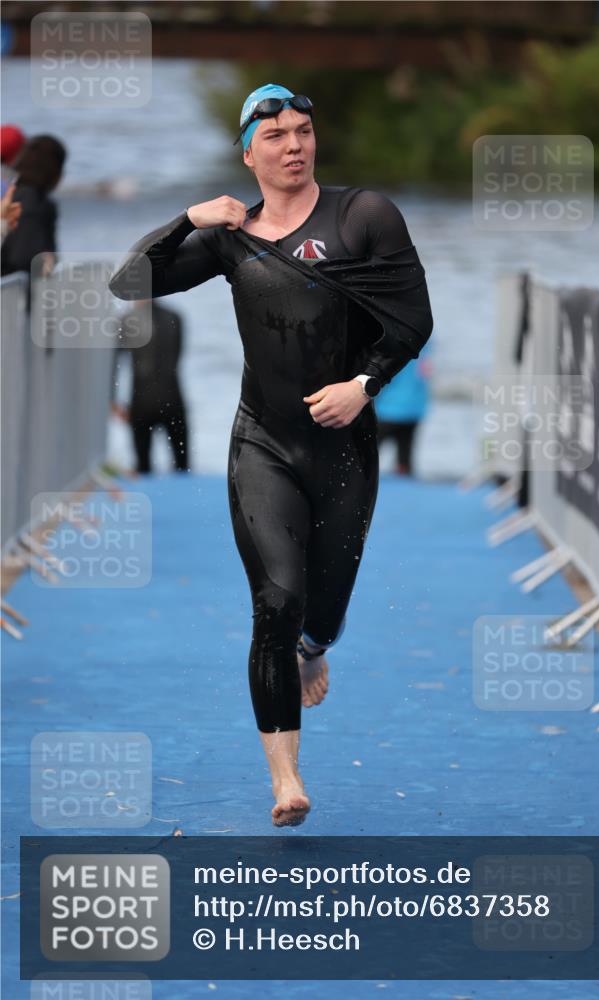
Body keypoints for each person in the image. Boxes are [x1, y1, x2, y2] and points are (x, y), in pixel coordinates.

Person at [109, 83, 432, 826]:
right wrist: (187, 218)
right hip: (263, 442)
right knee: (274, 604)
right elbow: (128, 280)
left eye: (303, 131)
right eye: (277, 135)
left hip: (345, 444)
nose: (294, 146)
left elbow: (412, 319)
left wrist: (362, 384)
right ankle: (285, 779)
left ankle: (317, 646)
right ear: (248, 153)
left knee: (321, 611)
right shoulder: (232, 235)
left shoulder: (363, 217)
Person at [112, 299, 190, 474]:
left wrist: (112, 399)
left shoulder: (127, 320)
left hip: (142, 401)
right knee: (183, 466)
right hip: (173, 398)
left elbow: (113, 361)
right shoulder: (175, 317)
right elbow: (177, 356)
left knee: (143, 468)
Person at [0, 134, 66, 279]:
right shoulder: (34, 203)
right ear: (54, 170)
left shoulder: (10, 193)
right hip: (14, 295)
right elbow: (24, 258)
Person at [376, 338, 433, 476]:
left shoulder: (391, 341)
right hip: (414, 408)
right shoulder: (426, 339)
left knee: (367, 456)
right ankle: (405, 479)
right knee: (405, 460)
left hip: (387, 409)